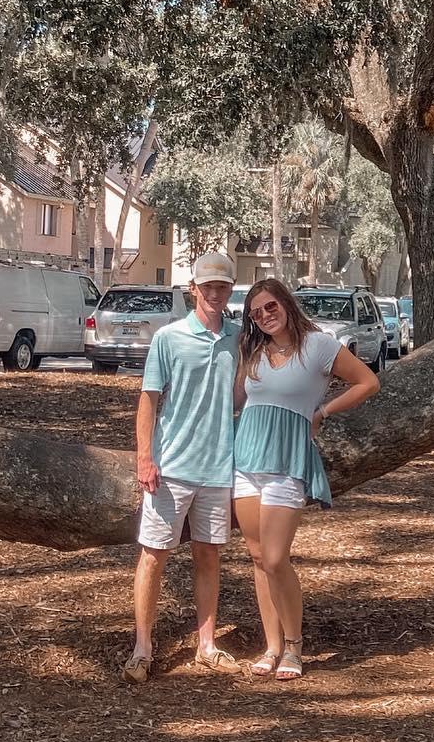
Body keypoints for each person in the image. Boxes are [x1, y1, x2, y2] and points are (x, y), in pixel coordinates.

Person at [233, 278, 380, 681]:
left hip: (287, 463)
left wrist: (323, 412)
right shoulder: (254, 350)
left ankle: (294, 645)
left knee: (276, 558)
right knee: (258, 558)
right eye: (256, 313)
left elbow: (368, 382)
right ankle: (271, 646)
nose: (265, 316)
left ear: (286, 303)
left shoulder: (318, 345)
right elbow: (238, 400)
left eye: (270, 307)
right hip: (244, 462)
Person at [123, 252, 241, 684]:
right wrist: (145, 457)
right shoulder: (168, 338)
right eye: (207, 286)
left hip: (218, 468)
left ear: (230, 290)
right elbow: (149, 400)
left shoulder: (239, 338)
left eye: (222, 287)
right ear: (193, 289)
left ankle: (207, 645)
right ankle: (142, 648)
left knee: (208, 555)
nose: (214, 294)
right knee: (154, 556)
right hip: (171, 468)